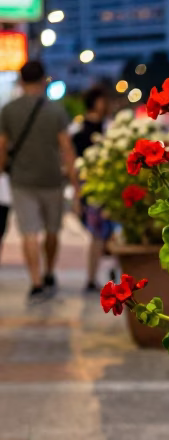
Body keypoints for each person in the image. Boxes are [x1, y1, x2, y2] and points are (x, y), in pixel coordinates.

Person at [0, 60, 80, 300]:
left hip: (22, 180)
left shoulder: (9, 110)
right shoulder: (55, 111)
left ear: (21, 80)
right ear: (44, 80)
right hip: (52, 179)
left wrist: (3, 168)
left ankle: (35, 282)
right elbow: (67, 149)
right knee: (52, 230)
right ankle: (49, 272)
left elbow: (2, 146)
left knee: (29, 232)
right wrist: (75, 184)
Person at [74, 86, 114, 292]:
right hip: (93, 188)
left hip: (110, 187)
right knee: (98, 235)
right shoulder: (82, 131)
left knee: (107, 234)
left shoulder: (109, 127)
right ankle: (92, 277)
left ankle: (108, 274)